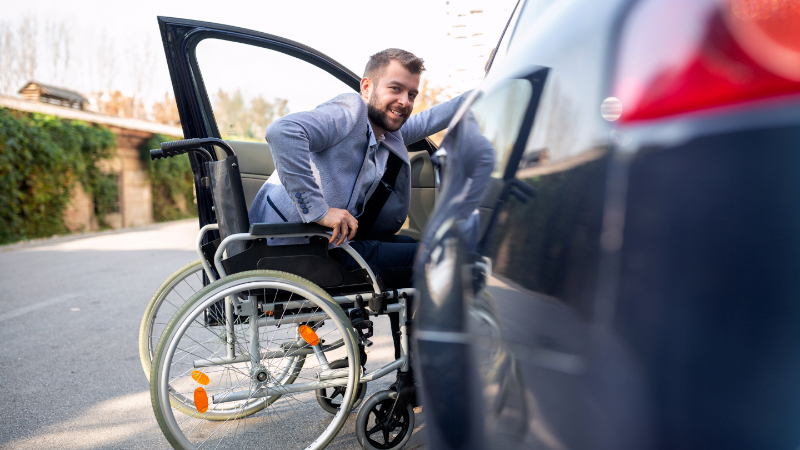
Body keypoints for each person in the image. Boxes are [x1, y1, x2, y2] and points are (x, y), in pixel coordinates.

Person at [249, 48, 468, 357]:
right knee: (434, 257)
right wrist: (319, 210)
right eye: (395, 88)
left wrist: (485, 89)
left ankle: (409, 365)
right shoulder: (349, 111)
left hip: (323, 244)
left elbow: (430, 119)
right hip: (301, 248)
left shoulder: (383, 133)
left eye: (412, 94)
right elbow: (283, 132)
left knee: (413, 245)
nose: (404, 101)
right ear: (367, 88)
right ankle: (423, 365)